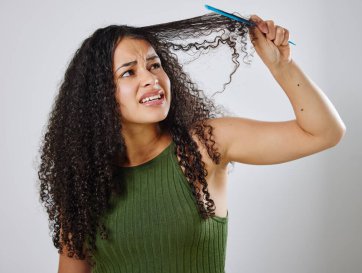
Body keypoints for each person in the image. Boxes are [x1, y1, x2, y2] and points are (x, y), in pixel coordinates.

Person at [38, 12, 346, 273]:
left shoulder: (204, 145)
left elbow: (323, 132)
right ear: (99, 96)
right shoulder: (83, 181)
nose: (150, 78)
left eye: (154, 65)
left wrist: (282, 66)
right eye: (129, 72)